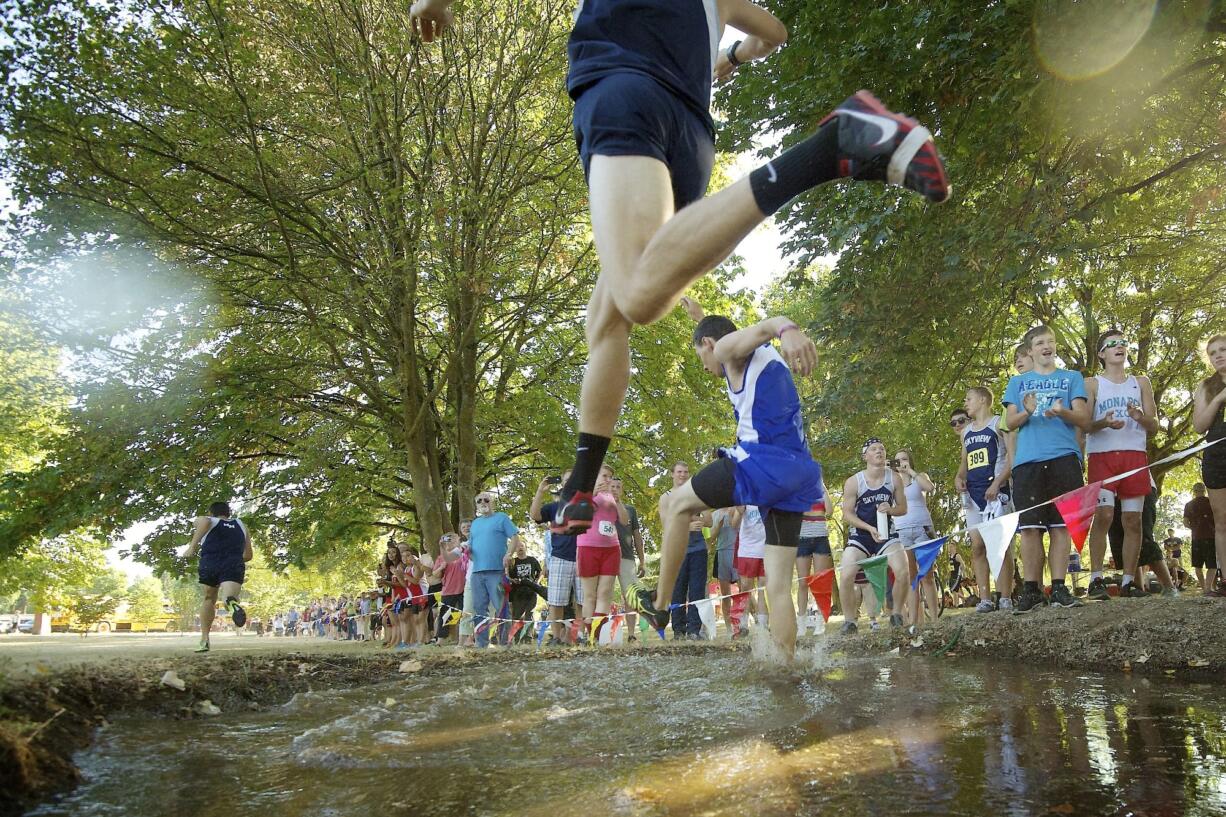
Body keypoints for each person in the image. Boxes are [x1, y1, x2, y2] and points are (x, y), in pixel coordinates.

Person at [410, 0, 949, 538]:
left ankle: (831, 148)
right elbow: (773, 32)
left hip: (623, 91)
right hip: (689, 137)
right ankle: (580, 486)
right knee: (608, 314)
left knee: (640, 294)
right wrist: (733, 53)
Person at [644, 309, 822, 658]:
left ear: (709, 344)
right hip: (797, 474)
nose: (705, 367)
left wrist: (786, 328)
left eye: (701, 357)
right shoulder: (757, 355)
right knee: (779, 585)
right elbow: (739, 334)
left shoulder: (725, 349)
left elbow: (764, 327)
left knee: (675, 504)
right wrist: (699, 315)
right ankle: (786, 667)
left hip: (760, 464)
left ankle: (660, 603)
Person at [1003, 325, 1090, 613]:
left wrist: (1061, 411)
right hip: (1028, 462)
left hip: (1064, 458)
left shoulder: (1071, 378)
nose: (1046, 346)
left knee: (1061, 525)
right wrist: (1028, 411)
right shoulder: (1018, 383)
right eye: (1040, 342)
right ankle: (1031, 589)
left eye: (1050, 341)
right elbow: (1010, 423)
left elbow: (1084, 419)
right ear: (1030, 350)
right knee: (1029, 528)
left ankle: (1060, 587)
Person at [1083, 329, 1160, 600]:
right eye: (1112, 344)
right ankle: (1095, 580)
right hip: (1102, 457)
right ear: (1102, 353)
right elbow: (1085, 425)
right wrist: (1104, 422)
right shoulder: (1092, 383)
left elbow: (1155, 425)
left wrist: (1139, 417)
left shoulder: (1141, 382)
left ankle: (1128, 582)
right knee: (1103, 516)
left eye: (1123, 343)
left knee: (1133, 520)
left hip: (1134, 456)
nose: (1120, 347)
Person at [839, 439, 909, 632]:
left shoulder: (894, 478)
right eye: (874, 449)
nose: (879, 451)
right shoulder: (854, 481)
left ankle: (896, 614)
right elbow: (847, 514)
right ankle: (850, 621)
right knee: (846, 574)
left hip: (887, 534)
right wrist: (868, 528)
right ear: (865, 456)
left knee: (903, 571)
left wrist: (890, 509)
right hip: (861, 536)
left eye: (882, 448)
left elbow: (903, 508)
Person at [957, 386, 1014, 612]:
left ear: (982, 400)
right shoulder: (966, 432)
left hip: (996, 493)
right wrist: (959, 477)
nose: (966, 402)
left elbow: (1012, 457)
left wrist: (997, 483)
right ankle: (985, 598)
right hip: (972, 495)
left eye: (968, 398)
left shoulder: (1000, 423)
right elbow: (964, 462)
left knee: (1001, 545)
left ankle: (1005, 596)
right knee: (978, 546)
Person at [184, 501, 253, 653]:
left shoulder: (209, 519)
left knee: (209, 598)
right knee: (229, 597)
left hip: (211, 562)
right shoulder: (241, 524)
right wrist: (233, 559)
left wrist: (192, 546)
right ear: (228, 512)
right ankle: (233, 605)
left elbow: (204, 521)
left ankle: (204, 640)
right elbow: (248, 555)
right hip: (233, 563)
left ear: (211, 512)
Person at [659, 461, 711, 640]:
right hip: (676, 550)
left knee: (697, 591)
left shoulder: (695, 496)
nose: (682, 475)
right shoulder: (666, 497)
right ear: (672, 474)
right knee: (677, 591)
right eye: (679, 471)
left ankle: (694, 630)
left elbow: (709, 520)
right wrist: (687, 526)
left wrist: (701, 518)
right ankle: (678, 630)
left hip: (698, 549)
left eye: (686, 472)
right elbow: (666, 524)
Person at [530, 473, 584, 644]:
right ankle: (557, 637)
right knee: (556, 601)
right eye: (566, 480)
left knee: (583, 601)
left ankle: (578, 635)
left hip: (584, 557)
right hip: (560, 558)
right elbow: (535, 515)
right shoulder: (554, 507)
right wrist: (540, 491)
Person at [576, 465, 627, 642]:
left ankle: (598, 635)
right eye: (604, 476)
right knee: (590, 595)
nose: (608, 480)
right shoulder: (583, 493)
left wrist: (618, 501)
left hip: (611, 548)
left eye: (610, 477)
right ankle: (590, 635)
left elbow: (625, 520)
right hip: (588, 547)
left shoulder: (611, 497)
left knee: (605, 593)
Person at [1192, 334, 1226, 597]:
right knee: (1222, 521)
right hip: (1216, 455)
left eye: (1223, 350)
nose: (1218, 355)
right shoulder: (1206, 386)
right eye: (1213, 352)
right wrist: (1218, 399)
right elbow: (1199, 426)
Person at [468, 492, 520, 647]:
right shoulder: (475, 523)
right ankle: (481, 644)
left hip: (496, 571)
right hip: (477, 572)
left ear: (493, 503)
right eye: (479, 501)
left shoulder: (502, 517)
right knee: (479, 609)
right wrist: (467, 550)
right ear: (476, 505)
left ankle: (506, 643)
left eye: (486, 500)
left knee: (501, 609)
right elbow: (471, 548)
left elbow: (515, 537)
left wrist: (509, 554)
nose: (483, 502)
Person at [895, 450, 940, 627]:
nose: (901, 463)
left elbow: (929, 488)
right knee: (911, 577)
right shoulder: (893, 483)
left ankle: (935, 619)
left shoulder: (919, 477)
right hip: (901, 531)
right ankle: (914, 620)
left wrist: (911, 472)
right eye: (897, 460)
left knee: (927, 575)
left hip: (922, 529)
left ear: (910, 461)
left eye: (904, 459)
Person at [795, 478, 832, 635]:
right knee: (803, 583)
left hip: (820, 538)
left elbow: (829, 512)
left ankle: (820, 622)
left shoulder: (821, 491)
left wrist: (823, 487)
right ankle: (801, 623)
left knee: (820, 582)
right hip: (802, 539)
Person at [610, 477, 645, 639]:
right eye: (612, 486)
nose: (615, 489)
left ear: (622, 490)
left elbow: (637, 536)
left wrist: (642, 561)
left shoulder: (630, 510)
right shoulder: (600, 508)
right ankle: (602, 635)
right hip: (606, 557)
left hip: (627, 558)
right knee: (604, 595)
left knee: (630, 597)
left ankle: (631, 634)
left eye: (618, 486)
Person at [710, 505, 742, 636]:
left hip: (739, 552)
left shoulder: (739, 508)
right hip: (722, 553)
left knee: (744, 590)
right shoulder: (715, 514)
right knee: (725, 595)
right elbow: (711, 537)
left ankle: (744, 623)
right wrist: (718, 526)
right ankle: (730, 629)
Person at [433, 532, 470, 644]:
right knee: (445, 615)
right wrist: (441, 568)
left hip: (464, 589)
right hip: (448, 590)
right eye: (447, 539)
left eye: (452, 539)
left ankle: (466, 639)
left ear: (458, 540)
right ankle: (441, 639)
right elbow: (435, 575)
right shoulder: (441, 557)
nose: (449, 541)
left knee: (466, 613)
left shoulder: (464, 554)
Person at [507, 539, 544, 643]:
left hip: (531, 591)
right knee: (517, 615)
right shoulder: (513, 562)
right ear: (515, 549)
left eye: (522, 546)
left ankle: (528, 637)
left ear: (525, 547)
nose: (520, 548)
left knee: (529, 613)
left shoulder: (532, 560)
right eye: (518, 546)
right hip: (517, 593)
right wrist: (512, 580)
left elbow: (541, 572)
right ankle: (517, 637)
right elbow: (508, 576)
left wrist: (537, 581)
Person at [1183, 483, 1216, 591]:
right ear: (1205, 490)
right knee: (1212, 565)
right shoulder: (1211, 502)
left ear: (1194, 491)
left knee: (1197, 566)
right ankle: (1208, 587)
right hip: (1211, 536)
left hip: (1196, 537)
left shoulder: (1189, 505)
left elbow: (1185, 523)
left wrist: (1194, 528)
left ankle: (1204, 588)